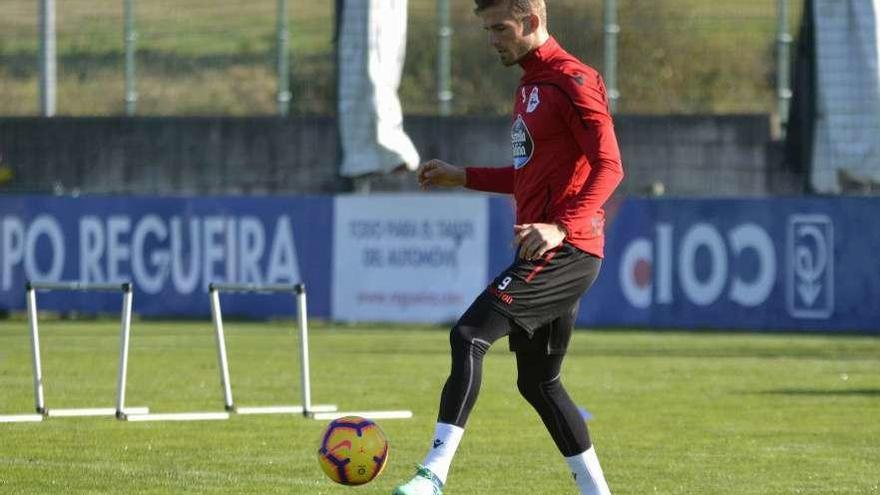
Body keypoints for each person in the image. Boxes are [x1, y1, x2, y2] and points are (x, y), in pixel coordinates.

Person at [391, 0, 624, 494]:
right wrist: (464, 176)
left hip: (568, 249)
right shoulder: (531, 85)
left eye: (500, 28)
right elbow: (529, 176)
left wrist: (561, 227)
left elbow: (610, 165)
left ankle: (432, 475)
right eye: (486, 29)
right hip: (549, 249)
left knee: (469, 335)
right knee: (538, 382)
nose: (492, 38)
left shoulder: (573, 80)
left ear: (533, 22)